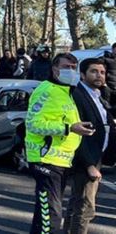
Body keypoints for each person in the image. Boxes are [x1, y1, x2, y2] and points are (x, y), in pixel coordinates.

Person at [26, 53, 96, 234]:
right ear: (54, 69)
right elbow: (33, 124)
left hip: (61, 162)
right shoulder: (47, 90)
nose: (71, 71)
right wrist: (69, 128)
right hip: (46, 160)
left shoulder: (68, 92)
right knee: (51, 218)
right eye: (66, 67)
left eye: (74, 67)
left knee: (43, 216)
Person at [64, 57, 115, 234]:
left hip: (98, 156)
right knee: (85, 208)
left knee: (77, 203)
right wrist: (89, 165)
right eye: (94, 71)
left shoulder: (98, 95)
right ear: (83, 74)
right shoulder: (78, 95)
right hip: (87, 159)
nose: (99, 75)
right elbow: (78, 134)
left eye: (102, 72)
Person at [102, 42, 116, 110]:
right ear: (113, 49)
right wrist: (105, 85)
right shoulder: (105, 59)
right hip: (107, 88)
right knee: (107, 108)